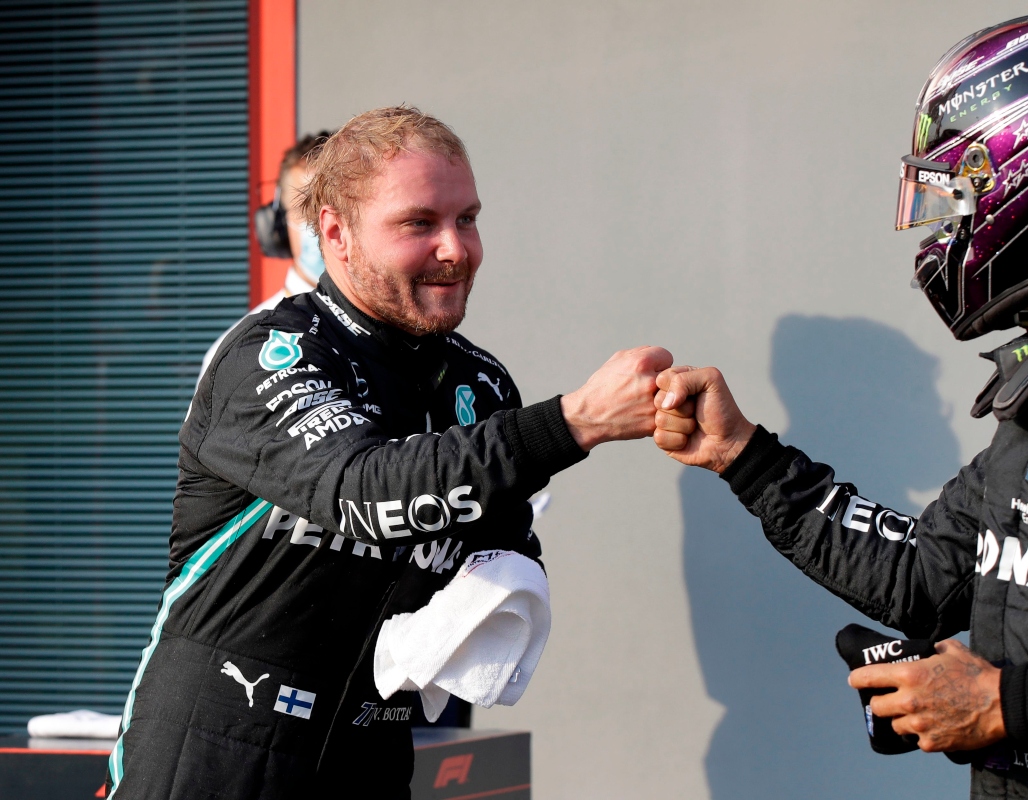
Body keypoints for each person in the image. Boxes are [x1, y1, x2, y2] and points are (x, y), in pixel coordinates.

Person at [655, 11, 1028, 799]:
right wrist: (745, 456)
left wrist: (1002, 703)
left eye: (962, 192)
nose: (948, 228)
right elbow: (924, 578)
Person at [106, 105, 672, 799]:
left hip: (369, 752)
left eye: (466, 219)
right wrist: (575, 421)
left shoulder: (479, 381)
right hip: (216, 752)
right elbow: (364, 490)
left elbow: (495, 544)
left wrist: (504, 590)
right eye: (418, 223)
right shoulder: (270, 355)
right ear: (336, 234)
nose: (456, 248)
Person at [199, 132, 331, 377]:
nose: (324, 224)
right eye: (306, 209)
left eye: (334, 207)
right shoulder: (238, 350)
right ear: (277, 225)